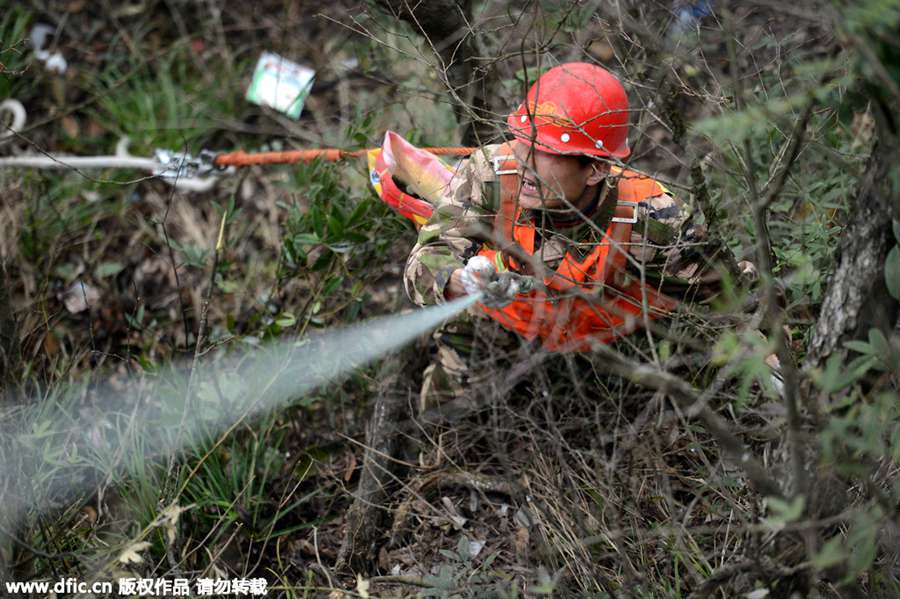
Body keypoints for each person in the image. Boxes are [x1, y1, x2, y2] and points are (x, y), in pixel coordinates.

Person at [370, 62, 731, 404]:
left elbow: (733, 295)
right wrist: (458, 280)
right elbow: (427, 256)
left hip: (612, 351)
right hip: (501, 323)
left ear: (596, 170)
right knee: (453, 409)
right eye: (523, 142)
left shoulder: (650, 219)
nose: (525, 162)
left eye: (546, 153)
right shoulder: (490, 175)